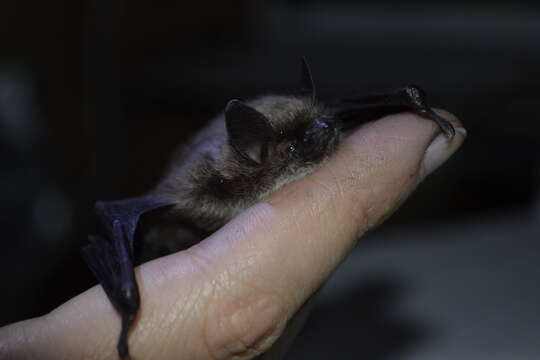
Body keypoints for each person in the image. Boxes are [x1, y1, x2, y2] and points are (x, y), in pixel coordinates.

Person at [0, 111, 465, 359]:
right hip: (178, 229)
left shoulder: (295, 139)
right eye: (301, 143)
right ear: (260, 156)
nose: (324, 136)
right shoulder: (214, 189)